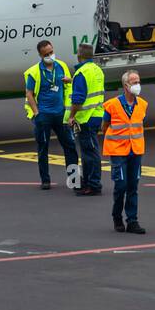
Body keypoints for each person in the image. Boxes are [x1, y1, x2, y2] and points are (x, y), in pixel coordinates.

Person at [23, 40, 79, 191]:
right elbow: (29, 93)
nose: (50, 56)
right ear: (40, 55)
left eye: (51, 52)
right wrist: (36, 113)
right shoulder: (34, 72)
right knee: (43, 148)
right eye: (46, 54)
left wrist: (71, 80)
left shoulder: (61, 66)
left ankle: (74, 180)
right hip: (44, 116)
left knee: (70, 146)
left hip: (61, 114)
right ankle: (45, 180)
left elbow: (70, 86)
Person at [102, 70, 147, 234]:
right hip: (118, 150)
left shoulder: (142, 104)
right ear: (126, 85)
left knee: (133, 186)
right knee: (121, 185)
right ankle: (117, 216)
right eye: (134, 82)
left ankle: (132, 220)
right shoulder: (112, 105)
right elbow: (104, 126)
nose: (137, 85)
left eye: (138, 81)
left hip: (135, 150)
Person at [67, 42, 106, 197]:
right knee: (91, 151)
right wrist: (72, 81)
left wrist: (71, 116)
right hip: (97, 114)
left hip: (86, 118)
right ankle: (91, 182)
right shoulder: (97, 70)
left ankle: (93, 184)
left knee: (89, 153)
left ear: (79, 55)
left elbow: (78, 98)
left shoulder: (81, 73)